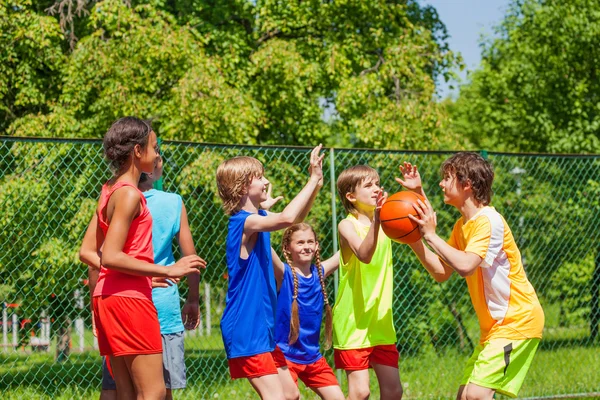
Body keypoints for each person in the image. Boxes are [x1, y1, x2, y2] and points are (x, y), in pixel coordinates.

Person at [398, 154, 544, 399]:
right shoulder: (462, 225)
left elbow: (466, 265)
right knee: (464, 396)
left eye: (447, 178)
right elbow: (442, 271)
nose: (441, 184)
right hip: (495, 329)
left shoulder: (488, 221)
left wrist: (431, 236)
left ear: (467, 185)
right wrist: (413, 236)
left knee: (475, 395)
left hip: (517, 322)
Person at [79, 117, 203, 399]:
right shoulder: (130, 195)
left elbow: (87, 252)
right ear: (137, 151)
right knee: (154, 392)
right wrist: (166, 270)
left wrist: (143, 272)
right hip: (130, 301)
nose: (157, 155)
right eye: (154, 147)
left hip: (109, 299)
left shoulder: (109, 189)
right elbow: (110, 256)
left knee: (126, 393)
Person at [215, 145, 324, 400]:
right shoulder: (244, 222)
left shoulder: (257, 218)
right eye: (260, 178)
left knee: (290, 395)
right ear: (243, 187)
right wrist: (313, 179)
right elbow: (287, 218)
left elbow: (294, 219)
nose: (266, 181)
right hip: (246, 327)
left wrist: (316, 185)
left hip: (262, 328)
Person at [332, 165, 403, 400]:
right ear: (351, 196)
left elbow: (418, 221)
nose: (377, 189)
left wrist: (418, 191)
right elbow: (364, 254)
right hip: (354, 322)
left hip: (381, 321)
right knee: (361, 392)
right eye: (369, 185)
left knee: (394, 391)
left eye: (377, 183)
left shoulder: (388, 222)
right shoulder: (347, 225)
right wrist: (379, 220)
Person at [272, 223, 344, 400]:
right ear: (287, 248)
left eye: (310, 242)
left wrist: (375, 222)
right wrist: (260, 214)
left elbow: (349, 249)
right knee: (291, 396)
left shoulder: (320, 273)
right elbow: (265, 247)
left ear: (317, 246)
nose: (306, 247)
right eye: (300, 242)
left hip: (312, 356)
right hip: (284, 356)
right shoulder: (284, 274)